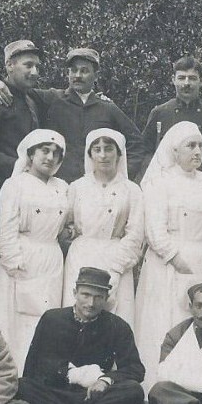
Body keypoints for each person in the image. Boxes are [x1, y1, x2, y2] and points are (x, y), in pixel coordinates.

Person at [135, 121, 202, 391]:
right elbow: (155, 230)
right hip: (170, 265)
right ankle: (160, 387)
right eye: (191, 146)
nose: (197, 151)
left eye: (200, 146)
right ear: (175, 151)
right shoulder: (160, 184)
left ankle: (199, 388)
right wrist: (180, 263)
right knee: (168, 321)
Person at [19, 267, 145, 404]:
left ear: (107, 298)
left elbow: (135, 369)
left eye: (98, 297)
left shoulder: (117, 326)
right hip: (57, 394)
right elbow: (34, 364)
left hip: (94, 398)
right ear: (75, 293)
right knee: (22, 386)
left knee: (134, 391)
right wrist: (69, 374)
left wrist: (105, 381)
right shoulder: (52, 319)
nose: (91, 303)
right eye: (86, 295)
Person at [0, 48, 145, 182]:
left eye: (84, 71)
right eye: (73, 70)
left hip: (95, 190)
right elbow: (17, 86)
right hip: (57, 187)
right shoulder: (51, 99)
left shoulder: (108, 108)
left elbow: (137, 143)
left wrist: (119, 175)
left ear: (95, 75)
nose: (77, 75)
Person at [0, 130, 70, 374]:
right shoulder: (15, 185)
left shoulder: (62, 187)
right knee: (15, 323)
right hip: (21, 261)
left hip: (51, 261)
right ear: (31, 154)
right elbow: (5, 230)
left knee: (45, 320)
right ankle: (9, 377)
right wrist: (15, 265)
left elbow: (64, 225)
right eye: (45, 151)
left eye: (56, 153)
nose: (50, 157)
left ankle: (39, 378)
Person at [62, 128, 144, 325]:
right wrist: (70, 232)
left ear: (119, 153)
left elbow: (135, 234)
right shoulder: (77, 187)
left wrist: (116, 267)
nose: (103, 155)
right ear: (90, 154)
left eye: (108, 149)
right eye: (97, 149)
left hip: (117, 258)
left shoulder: (131, 190)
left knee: (115, 318)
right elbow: (66, 223)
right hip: (81, 256)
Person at [137, 56, 202, 198]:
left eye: (192, 78)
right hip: (166, 193)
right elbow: (144, 154)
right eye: (181, 78)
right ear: (173, 80)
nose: (186, 83)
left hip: (201, 193)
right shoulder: (160, 113)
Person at [0, 40, 44, 185]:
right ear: (10, 65)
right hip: (3, 186)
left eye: (37, 66)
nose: (35, 72)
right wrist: (24, 165)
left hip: (32, 184)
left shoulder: (32, 99)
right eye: (28, 65)